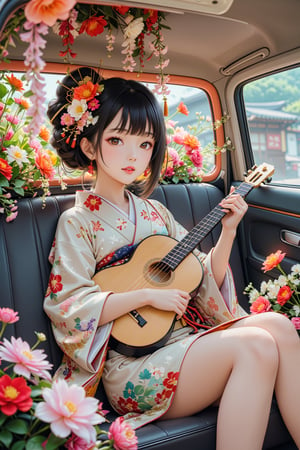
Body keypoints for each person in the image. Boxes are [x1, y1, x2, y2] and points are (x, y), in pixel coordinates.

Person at [45, 66, 300, 450]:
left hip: (183, 342)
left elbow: (200, 281)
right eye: (117, 140)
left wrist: (228, 230)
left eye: (145, 144)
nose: (134, 155)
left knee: (279, 327)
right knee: (257, 345)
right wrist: (145, 297)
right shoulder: (77, 222)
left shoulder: (156, 214)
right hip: (131, 365)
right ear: (88, 146)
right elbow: (69, 306)